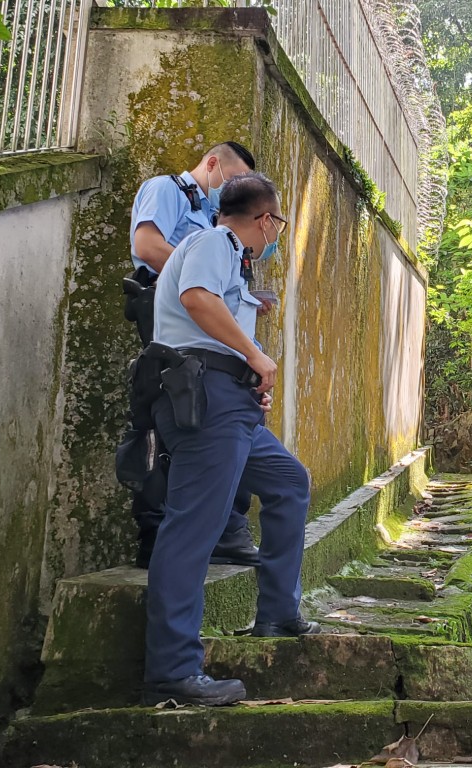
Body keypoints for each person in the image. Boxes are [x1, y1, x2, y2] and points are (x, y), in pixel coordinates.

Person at [142, 173, 321, 708]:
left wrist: (249, 374)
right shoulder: (213, 241)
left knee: (290, 482)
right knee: (193, 526)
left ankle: (277, 613)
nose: (274, 235)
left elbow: (211, 304)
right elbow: (196, 298)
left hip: (231, 404)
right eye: (277, 225)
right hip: (208, 399)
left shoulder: (231, 262)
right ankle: (174, 669)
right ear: (265, 220)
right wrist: (256, 355)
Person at [125, 142, 261, 569]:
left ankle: (224, 526)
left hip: (202, 322)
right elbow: (147, 245)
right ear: (212, 163)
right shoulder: (165, 189)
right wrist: (197, 275)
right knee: (175, 420)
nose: (233, 189)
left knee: (216, 419)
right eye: (234, 179)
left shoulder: (211, 219)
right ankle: (157, 530)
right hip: (169, 315)